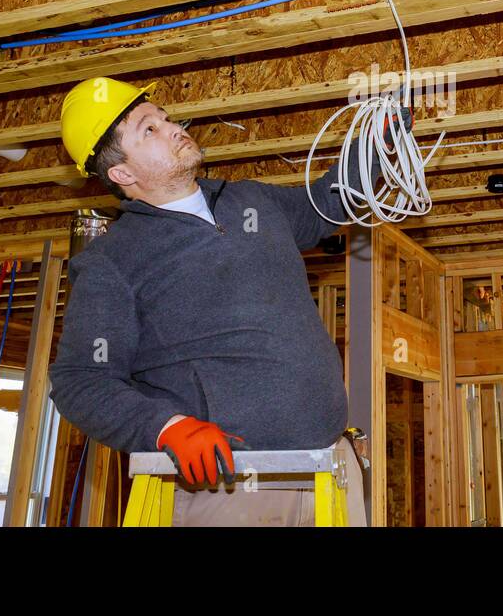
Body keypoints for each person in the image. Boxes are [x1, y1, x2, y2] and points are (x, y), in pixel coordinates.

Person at [48, 76, 410, 526]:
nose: (172, 127)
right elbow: (81, 379)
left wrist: (377, 141)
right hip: (233, 484)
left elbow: (326, 202)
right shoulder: (113, 260)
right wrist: (166, 428)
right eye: (149, 130)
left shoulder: (249, 200)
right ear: (123, 174)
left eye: (165, 118)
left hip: (330, 465)